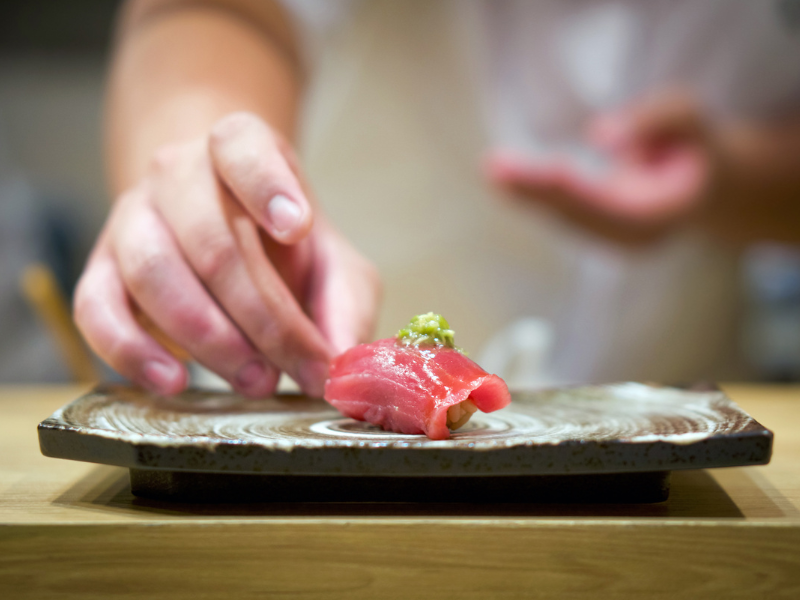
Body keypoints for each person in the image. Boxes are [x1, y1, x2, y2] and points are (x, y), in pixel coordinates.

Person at [74, 0, 800, 397]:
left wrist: (732, 178)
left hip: (678, 445)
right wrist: (207, 168)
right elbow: (211, 14)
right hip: (324, 446)